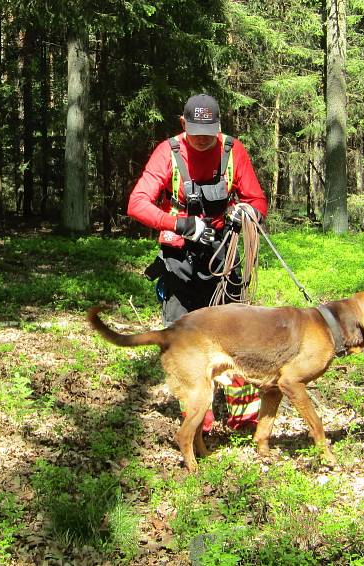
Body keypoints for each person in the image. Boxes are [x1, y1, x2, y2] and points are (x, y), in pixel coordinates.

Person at [127, 93, 268, 431]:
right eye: (196, 131)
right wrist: (181, 224)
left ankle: (244, 418)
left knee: (239, 338)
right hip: (180, 261)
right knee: (184, 341)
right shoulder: (168, 153)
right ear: (182, 125)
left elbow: (257, 200)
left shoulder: (234, 151)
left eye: (209, 130)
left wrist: (246, 212)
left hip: (224, 256)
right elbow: (137, 203)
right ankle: (198, 421)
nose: (203, 138)